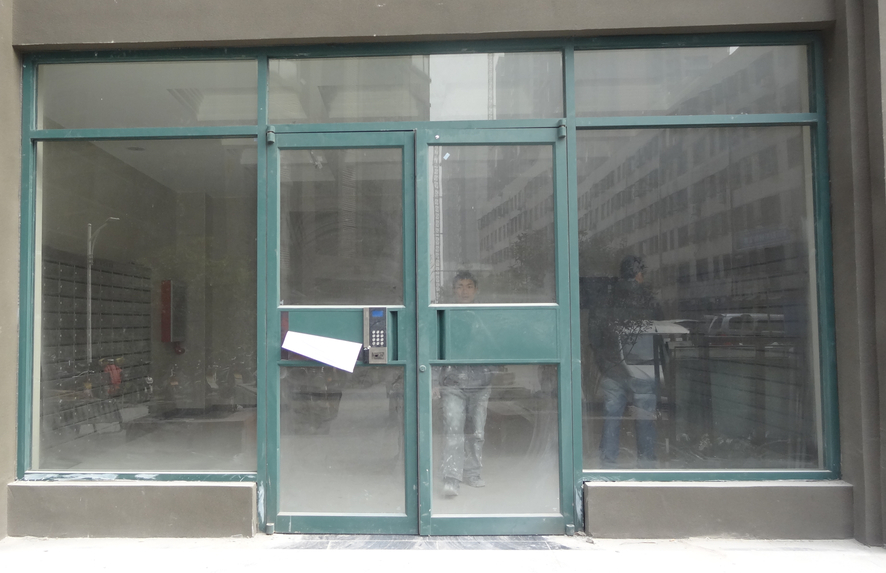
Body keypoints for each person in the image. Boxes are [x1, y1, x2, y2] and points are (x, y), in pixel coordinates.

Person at [593, 255, 660, 468]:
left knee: (612, 417)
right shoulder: (648, 298)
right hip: (643, 367)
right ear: (639, 274)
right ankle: (647, 464)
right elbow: (659, 330)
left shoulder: (607, 298)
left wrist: (604, 363)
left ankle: (608, 464)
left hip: (613, 369)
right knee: (645, 416)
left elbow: (594, 336)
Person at [439, 271, 492, 497]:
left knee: (476, 432)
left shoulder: (485, 315)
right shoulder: (444, 314)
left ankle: (473, 473)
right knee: (453, 430)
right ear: (453, 290)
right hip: (453, 382)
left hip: (481, 382)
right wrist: (434, 380)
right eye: (460, 286)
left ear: (476, 290)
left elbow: (494, 345)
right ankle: (452, 477)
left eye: (469, 286)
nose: (464, 291)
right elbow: (436, 347)